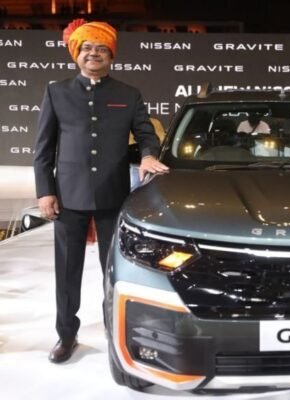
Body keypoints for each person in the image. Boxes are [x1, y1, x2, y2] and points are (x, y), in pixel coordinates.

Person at [33, 19, 169, 364]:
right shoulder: (56, 92)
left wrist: (149, 155)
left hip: (113, 196)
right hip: (68, 198)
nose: (94, 53)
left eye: (101, 48)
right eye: (87, 48)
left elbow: (146, 133)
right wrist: (45, 192)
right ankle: (67, 334)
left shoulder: (128, 94)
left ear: (112, 55)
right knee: (67, 273)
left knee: (115, 271)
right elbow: (43, 149)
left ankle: (115, 329)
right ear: (76, 54)